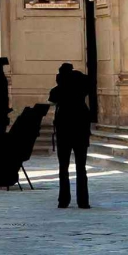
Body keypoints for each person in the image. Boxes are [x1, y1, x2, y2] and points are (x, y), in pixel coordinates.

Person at [49, 63, 92, 209]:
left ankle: (63, 200)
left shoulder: (57, 90)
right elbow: (89, 81)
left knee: (63, 167)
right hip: (80, 128)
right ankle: (83, 201)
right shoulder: (81, 87)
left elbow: (52, 100)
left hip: (64, 130)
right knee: (81, 167)